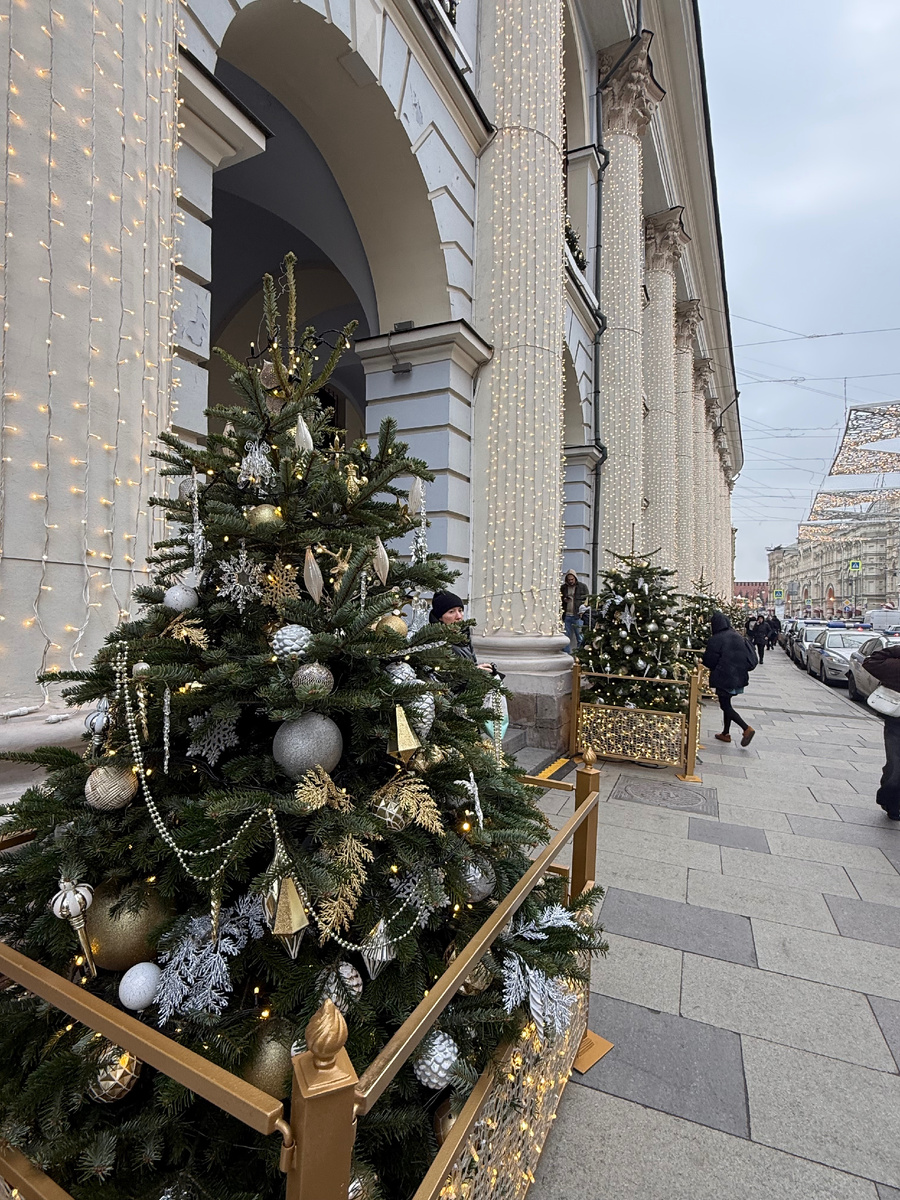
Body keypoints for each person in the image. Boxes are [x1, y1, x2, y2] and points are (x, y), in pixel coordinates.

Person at [702, 611, 759, 747]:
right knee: (727, 702)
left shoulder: (716, 639)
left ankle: (746, 728)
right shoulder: (737, 636)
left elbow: (709, 661)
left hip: (724, 676)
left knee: (725, 705)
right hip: (739, 676)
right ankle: (725, 733)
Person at [860, 643, 900, 820]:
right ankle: (890, 802)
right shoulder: (896, 666)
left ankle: (892, 802)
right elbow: (870, 662)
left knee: (895, 766)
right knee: (895, 767)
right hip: (897, 724)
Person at [429, 591, 493, 671]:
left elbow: (473, 663)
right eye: (451, 612)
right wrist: (474, 672)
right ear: (440, 617)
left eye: (460, 610)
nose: (459, 616)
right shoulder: (436, 641)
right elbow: (443, 673)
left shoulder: (464, 634)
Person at [560, 571, 589, 653]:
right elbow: (560, 598)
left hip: (578, 615)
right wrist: (564, 599)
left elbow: (587, 600)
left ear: (575, 578)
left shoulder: (582, 587)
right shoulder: (563, 588)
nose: (570, 581)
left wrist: (583, 611)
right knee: (566, 637)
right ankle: (566, 654)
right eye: (569, 580)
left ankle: (580, 654)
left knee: (580, 637)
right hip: (567, 615)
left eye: (572, 579)